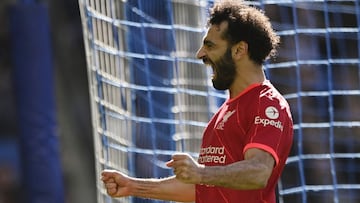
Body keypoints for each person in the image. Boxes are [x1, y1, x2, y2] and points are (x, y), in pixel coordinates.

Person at [101, 0, 293, 202]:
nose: (200, 54)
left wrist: (200, 173)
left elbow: (258, 171)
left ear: (239, 50)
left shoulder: (267, 104)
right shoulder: (223, 113)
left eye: (210, 45)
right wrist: (133, 186)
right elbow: (202, 189)